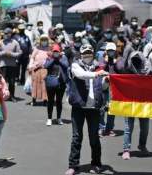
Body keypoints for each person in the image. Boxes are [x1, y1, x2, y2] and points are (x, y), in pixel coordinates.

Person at [65, 44, 108, 175]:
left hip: (94, 107)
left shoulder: (99, 67)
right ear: (81, 54)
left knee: (94, 137)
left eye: (90, 52)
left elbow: (103, 87)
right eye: (85, 53)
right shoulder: (75, 65)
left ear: (93, 53)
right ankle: (73, 165)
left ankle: (96, 164)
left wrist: (106, 81)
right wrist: (97, 74)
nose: (87, 55)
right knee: (77, 137)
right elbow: (81, 75)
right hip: (79, 106)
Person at [100, 42, 123, 137]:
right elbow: (99, 69)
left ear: (115, 51)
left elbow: (121, 69)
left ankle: (109, 129)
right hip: (103, 85)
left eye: (112, 51)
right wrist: (105, 61)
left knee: (111, 108)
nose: (110, 53)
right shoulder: (102, 58)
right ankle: (101, 127)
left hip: (113, 87)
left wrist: (115, 61)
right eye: (109, 51)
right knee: (101, 107)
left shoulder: (118, 59)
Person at [44, 44, 69, 126]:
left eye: (57, 51)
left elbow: (66, 66)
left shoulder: (63, 58)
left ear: (60, 51)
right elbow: (46, 66)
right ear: (52, 52)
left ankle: (59, 118)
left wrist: (59, 59)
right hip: (50, 83)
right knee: (50, 101)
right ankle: (49, 118)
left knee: (59, 101)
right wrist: (53, 59)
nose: (55, 53)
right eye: (54, 51)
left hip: (61, 83)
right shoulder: (49, 58)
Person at [0, 27, 22, 102]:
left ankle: (12, 96)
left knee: (12, 82)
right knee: (2, 81)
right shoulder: (0, 42)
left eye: (8, 33)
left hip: (12, 65)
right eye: (5, 33)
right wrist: (4, 53)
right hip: (3, 65)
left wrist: (11, 54)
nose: (7, 35)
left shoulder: (15, 42)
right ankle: (2, 95)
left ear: (11, 34)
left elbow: (19, 52)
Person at [28, 34, 50, 105]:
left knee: (44, 85)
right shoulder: (37, 48)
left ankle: (45, 100)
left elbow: (51, 58)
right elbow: (32, 57)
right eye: (43, 40)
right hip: (36, 69)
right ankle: (33, 99)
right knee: (35, 84)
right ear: (40, 41)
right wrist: (31, 65)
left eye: (45, 40)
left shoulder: (49, 49)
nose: (44, 41)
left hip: (45, 69)